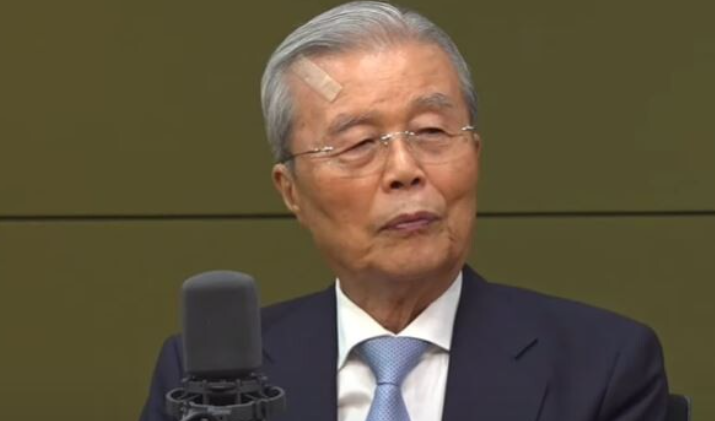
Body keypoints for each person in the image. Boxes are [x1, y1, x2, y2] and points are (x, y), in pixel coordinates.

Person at [140, 2, 669, 420]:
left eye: (432, 131)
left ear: (476, 154)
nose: (404, 169)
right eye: (358, 144)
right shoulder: (203, 380)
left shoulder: (604, 365)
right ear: (291, 191)